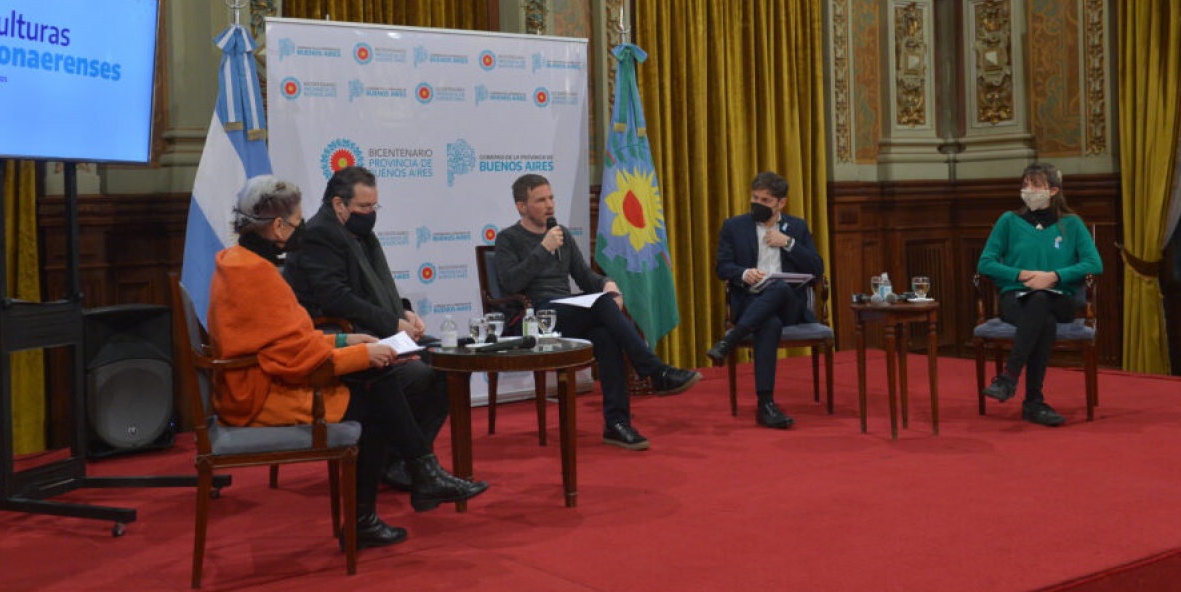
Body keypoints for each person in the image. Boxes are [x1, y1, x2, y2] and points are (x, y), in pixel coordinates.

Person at [208, 175, 487, 550]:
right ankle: (402, 488)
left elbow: (286, 341)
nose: (300, 229)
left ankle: (409, 482)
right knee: (375, 392)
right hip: (260, 395)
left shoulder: (239, 261)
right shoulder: (256, 273)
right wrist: (360, 353)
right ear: (277, 227)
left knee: (379, 377)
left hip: (263, 379)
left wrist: (344, 340)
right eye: (295, 222)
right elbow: (292, 355)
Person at [494, 174, 702, 451]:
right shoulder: (508, 239)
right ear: (522, 206)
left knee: (605, 333)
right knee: (603, 306)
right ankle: (655, 371)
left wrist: (607, 283)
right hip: (534, 317)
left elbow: (583, 275)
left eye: (551, 198)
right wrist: (543, 249)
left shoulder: (562, 235)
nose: (549, 205)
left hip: (564, 311)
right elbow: (509, 284)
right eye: (540, 200)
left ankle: (617, 424)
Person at [283, 166, 448, 491]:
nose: (370, 214)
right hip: (339, 339)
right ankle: (402, 462)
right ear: (338, 204)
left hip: (371, 331)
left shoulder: (360, 235)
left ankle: (400, 462)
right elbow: (336, 298)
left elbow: (372, 289)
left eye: (374, 207)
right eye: (364, 207)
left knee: (446, 367)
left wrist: (403, 311)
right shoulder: (320, 234)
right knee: (420, 376)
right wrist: (392, 323)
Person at [978, 162, 1103, 426]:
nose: (1028, 189)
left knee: (1043, 298)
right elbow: (985, 263)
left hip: (1061, 299)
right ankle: (1033, 402)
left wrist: (1053, 276)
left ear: (1054, 190)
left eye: (1035, 185)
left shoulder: (1071, 224)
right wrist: (1022, 275)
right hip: (1016, 299)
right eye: (1025, 184)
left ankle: (1009, 377)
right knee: (1041, 314)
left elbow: (1094, 263)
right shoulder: (1009, 221)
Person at [708, 171, 825, 429]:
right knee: (768, 324)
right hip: (752, 302)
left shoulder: (797, 227)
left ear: (780, 203)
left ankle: (731, 339)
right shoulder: (734, 226)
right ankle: (766, 404)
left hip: (789, 306)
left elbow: (817, 268)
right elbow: (722, 267)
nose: (758, 205)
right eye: (755, 198)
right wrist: (743, 273)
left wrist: (790, 243)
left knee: (780, 286)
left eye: (765, 201)